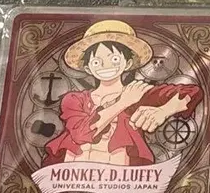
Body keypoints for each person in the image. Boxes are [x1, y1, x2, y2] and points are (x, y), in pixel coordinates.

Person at [42, 20, 201, 167]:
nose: (106, 66)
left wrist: (164, 111)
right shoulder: (74, 99)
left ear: (128, 63)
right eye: (97, 62)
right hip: (72, 175)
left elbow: (192, 92)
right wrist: (123, 102)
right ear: (88, 68)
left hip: (123, 177)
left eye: (114, 59)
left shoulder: (139, 93)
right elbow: (80, 134)